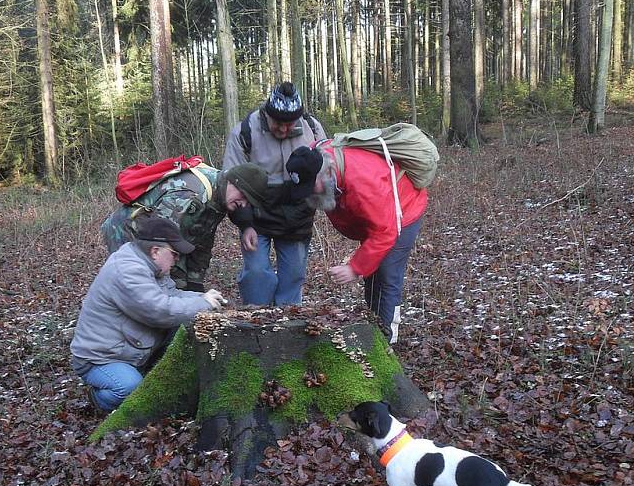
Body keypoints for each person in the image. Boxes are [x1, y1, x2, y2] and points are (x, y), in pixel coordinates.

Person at [71, 215, 227, 412]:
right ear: (155, 251)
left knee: (183, 327)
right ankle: (99, 398)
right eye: (174, 254)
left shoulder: (149, 265)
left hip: (128, 348)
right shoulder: (128, 271)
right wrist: (202, 304)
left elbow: (173, 295)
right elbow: (160, 310)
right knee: (129, 387)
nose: (177, 260)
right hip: (101, 358)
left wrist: (202, 297)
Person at [285, 144, 429, 344]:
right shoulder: (313, 157)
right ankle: (374, 325)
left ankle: (387, 340)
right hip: (379, 216)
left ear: (325, 172)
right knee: (372, 275)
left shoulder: (363, 184)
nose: (310, 193)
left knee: (387, 273)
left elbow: (384, 233)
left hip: (403, 211)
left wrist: (354, 268)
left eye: (311, 186)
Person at [222, 81, 327, 306]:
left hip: (298, 216)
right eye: (278, 123)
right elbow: (232, 182)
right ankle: (257, 322)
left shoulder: (313, 129)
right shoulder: (245, 132)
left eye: (289, 124)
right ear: (267, 114)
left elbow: (326, 171)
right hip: (256, 216)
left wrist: (317, 199)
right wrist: (244, 224)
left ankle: (288, 326)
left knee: (294, 275)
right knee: (256, 274)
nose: (283, 129)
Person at [101, 162, 270, 291]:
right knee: (139, 287)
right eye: (244, 196)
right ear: (234, 182)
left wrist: (195, 283)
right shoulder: (191, 194)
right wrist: (172, 286)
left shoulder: (218, 195)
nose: (244, 204)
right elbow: (161, 244)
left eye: (249, 202)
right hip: (127, 232)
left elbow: (202, 240)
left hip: (159, 236)